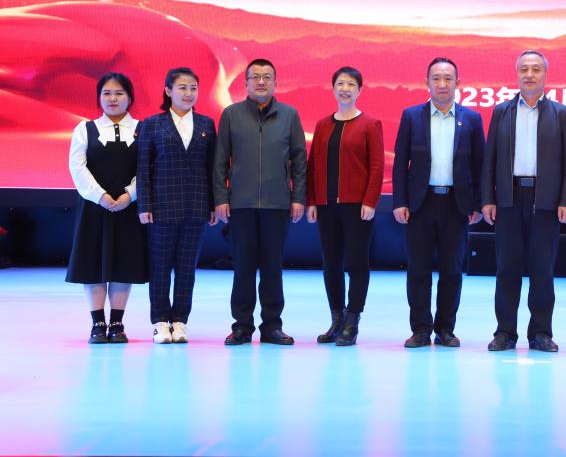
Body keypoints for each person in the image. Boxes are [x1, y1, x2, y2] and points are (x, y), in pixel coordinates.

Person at [482, 50, 566, 353]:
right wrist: (488, 198)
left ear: (545, 74)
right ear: (517, 74)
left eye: (536, 69)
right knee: (506, 270)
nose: (529, 74)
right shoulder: (502, 111)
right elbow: (489, 158)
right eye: (524, 69)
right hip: (509, 199)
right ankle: (505, 332)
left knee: (542, 271)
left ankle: (540, 333)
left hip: (545, 201)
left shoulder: (561, 113)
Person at [393, 58, 485, 348]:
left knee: (452, 271)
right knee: (418, 270)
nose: (442, 84)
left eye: (448, 78)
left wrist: (478, 204)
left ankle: (445, 329)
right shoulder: (411, 116)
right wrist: (399, 201)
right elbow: (400, 163)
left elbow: (480, 165)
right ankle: (420, 329)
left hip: (456, 205)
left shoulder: (472, 119)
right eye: (436, 78)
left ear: (458, 83)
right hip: (420, 204)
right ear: (427, 83)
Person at [213, 59, 307, 346]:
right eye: (255, 77)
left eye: (267, 77)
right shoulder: (231, 115)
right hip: (240, 205)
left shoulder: (289, 115)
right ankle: (242, 326)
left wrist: (298, 197)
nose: (261, 82)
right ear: (246, 83)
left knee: (272, 269)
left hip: (277, 205)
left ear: (276, 82)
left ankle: (272, 326)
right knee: (242, 268)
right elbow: (220, 161)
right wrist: (220, 198)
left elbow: (299, 161)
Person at [137, 67, 218, 344]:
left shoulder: (206, 124)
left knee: (186, 269)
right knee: (159, 267)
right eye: (182, 88)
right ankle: (160, 322)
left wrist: (213, 204)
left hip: (196, 206)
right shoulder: (152, 124)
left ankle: (180, 321)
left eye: (193, 88)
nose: (188, 93)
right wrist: (144, 205)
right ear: (168, 91)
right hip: (161, 208)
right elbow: (143, 168)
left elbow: (213, 168)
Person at [66, 72, 148, 343]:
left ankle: (117, 323)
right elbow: (77, 167)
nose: (113, 99)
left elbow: (147, 168)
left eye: (119, 93)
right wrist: (100, 196)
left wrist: (129, 196)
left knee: (123, 264)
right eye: (107, 93)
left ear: (130, 97)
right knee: (93, 264)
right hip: (94, 207)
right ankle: (97, 324)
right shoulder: (84, 129)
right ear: (99, 97)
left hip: (128, 208)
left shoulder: (143, 129)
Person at [306, 66, 384, 346]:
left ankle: (353, 320)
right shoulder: (322, 125)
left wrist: (370, 200)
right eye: (340, 83)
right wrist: (312, 200)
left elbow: (377, 166)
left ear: (359, 90)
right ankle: (336, 319)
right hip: (326, 206)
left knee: (357, 263)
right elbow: (313, 165)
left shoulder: (370, 124)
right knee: (331, 265)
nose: (345, 89)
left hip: (357, 206)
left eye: (351, 84)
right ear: (333, 89)